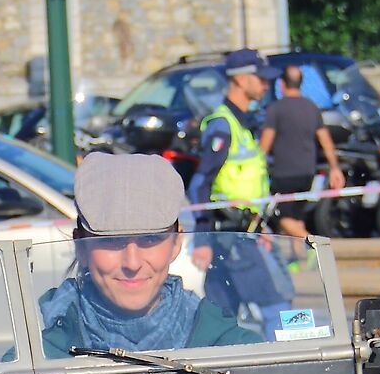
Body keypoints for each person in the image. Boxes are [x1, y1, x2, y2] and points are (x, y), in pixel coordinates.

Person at [38, 153, 259, 359]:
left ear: (176, 243)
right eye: (111, 241)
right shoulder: (39, 358)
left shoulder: (234, 349)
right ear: (80, 246)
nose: (132, 263)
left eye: (150, 239)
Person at [185, 49, 270, 236]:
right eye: (260, 78)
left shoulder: (244, 125)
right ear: (240, 79)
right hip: (227, 231)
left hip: (248, 228)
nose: (266, 85)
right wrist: (203, 237)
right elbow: (200, 183)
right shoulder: (223, 125)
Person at [257, 64, 345, 242]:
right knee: (297, 218)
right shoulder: (311, 108)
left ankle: (313, 246)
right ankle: (298, 260)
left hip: (284, 174)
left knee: (283, 218)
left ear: (281, 84)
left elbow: (264, 145)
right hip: (307, 173)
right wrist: (335, 167)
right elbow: (325, 140)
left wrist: (254, 166)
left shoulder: (275, 109)